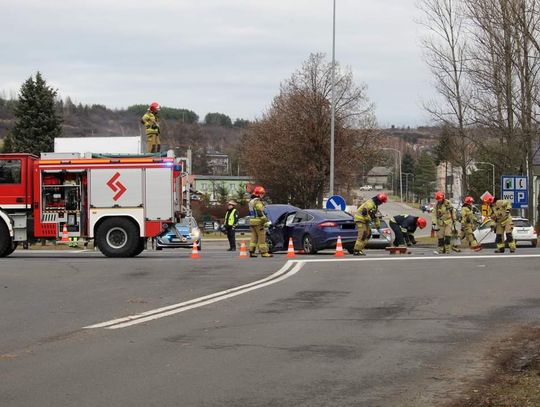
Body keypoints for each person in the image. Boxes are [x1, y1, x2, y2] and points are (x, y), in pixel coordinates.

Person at [248, 186, 272, 258]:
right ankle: (264, 252)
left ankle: (251, 251)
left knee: (254, 237)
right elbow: (259, 212)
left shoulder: (251, 201)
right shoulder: (257, 201)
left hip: (252, 222)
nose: (262, 195)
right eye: (262, 194)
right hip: (259, 222)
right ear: (258, 194)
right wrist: (266, 221)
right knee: (262, 238)